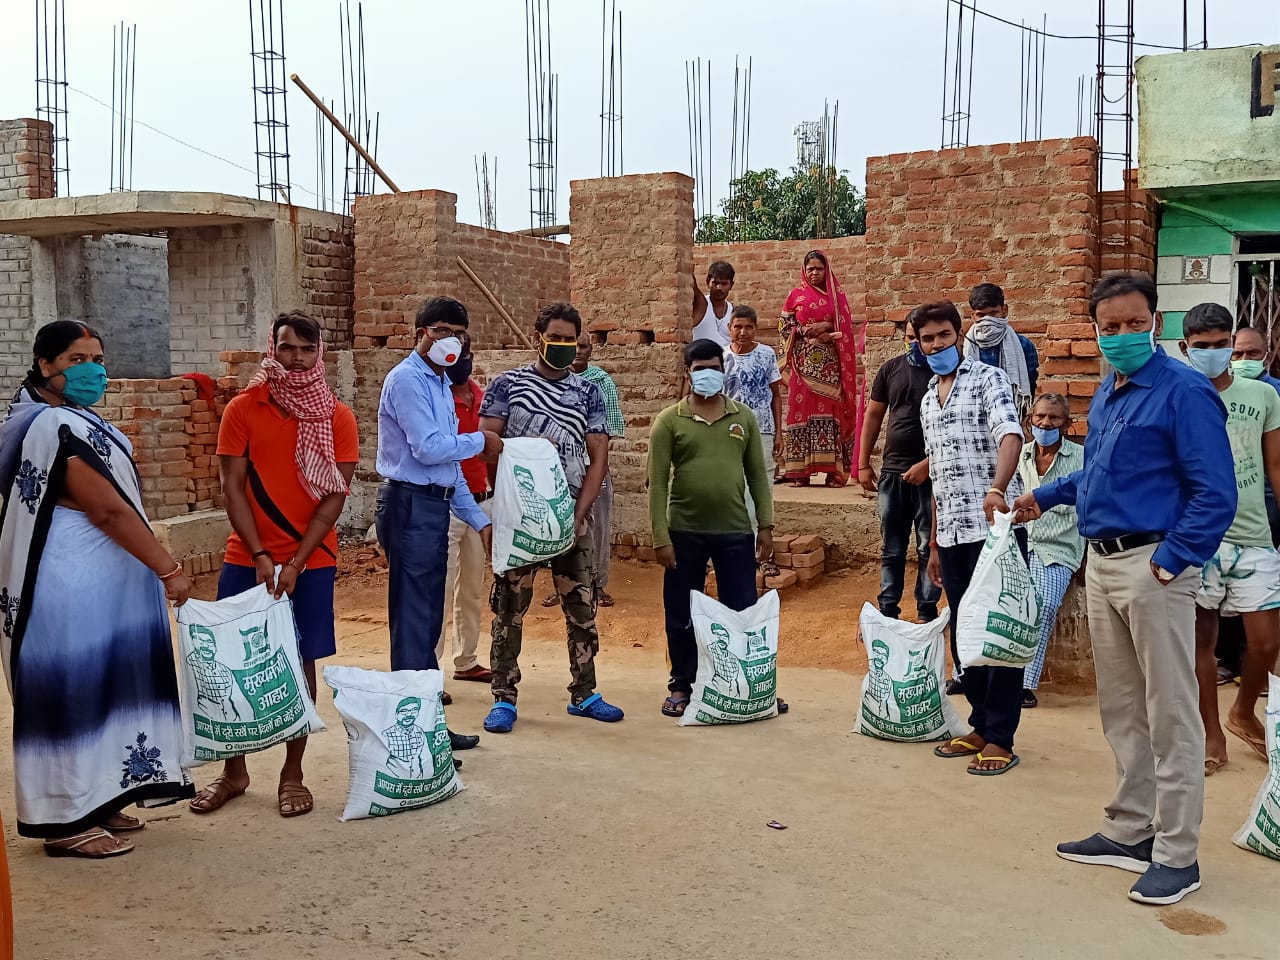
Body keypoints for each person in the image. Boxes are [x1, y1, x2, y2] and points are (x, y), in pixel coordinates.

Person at [1013, 273, 1235, 906]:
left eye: (1135, 324)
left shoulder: (1184, 392)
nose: (1122, 336)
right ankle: (1130, 829)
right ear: (1097, 331)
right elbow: (1099, 475)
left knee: (1171, 712)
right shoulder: (1111, 391)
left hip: (1153, 567)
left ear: (1156, 323)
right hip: (1103, 563)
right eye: (1109, 327)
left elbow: (1215, 492)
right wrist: (1044, 495)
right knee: (1122, 708)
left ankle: (1178, 854)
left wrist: (1171, 561)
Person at [0, 320, 194, 858]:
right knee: (73, 693)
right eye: (77, 359)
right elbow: (107, 510)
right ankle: (63, 821)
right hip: (67, 588)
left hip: (101, 591)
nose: (93, 370)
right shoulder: (52, 427)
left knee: (107, 689)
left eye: (98, 359)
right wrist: (168, 569)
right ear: (45, 365)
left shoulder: (66, 419)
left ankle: (100, 799)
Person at [187, 311, 358, 818]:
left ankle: (292, 774)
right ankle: (233, 772)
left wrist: (296, 562)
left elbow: (333, 498)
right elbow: (232, 488)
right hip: (246, 556)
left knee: (300, 662)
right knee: (231, 661)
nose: (297, 359)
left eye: (307, 349)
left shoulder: (337, 417)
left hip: (313, 560)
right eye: (287, 348)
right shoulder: (243, 408)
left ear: (319, 353)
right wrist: (261, 555)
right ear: (272, 349)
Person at [478, 302, 624, 732]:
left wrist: (580, 514)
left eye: (569, 339)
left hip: (571, 517)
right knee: (509, 608)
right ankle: (504, 697)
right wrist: (503, 505)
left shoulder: (589, 392)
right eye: (554, 337)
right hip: (519, 519)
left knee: (581, 607)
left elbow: (598, 456)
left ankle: (585, 693)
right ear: (537, 337)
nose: (562, 345)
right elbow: (488, 445)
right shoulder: (507, 386)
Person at [377, 296, 501, 752]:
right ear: (421, 333)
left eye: (459, 333)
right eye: (442, 330)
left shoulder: (440, 383)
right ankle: (414, 733)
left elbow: (449, 471)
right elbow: (429, 449)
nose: (451, 340)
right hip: (410, 505)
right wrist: (480, 440)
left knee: (428, 620)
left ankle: (428, 727)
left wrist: (479, 521)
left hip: (433, 504)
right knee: (414, 622)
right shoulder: (407, 380)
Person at [913, 301, 1027, 776]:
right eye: (927, 339)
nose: (936, 344)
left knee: (999, 631)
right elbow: (938, 476)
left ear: (959, 336)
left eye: (944, 335)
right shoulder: (926, 401)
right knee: (966, 632)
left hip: (994, 532)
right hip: (952, 533)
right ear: (918, 345)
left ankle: (1001, 737)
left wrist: (997, 489)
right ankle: (979, 725)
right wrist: (934, 545)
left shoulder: (987, 379)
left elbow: (1010, 435)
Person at [648, 339, 786, 716]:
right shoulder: (669, 421)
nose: (707, 374)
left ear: (723, 371)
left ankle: (748, 685)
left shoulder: (744, 418)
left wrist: (766, 525)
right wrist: (660, 537)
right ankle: (682, 685)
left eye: (714, 368)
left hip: (735, 531)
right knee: (681, 612)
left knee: (742, 611)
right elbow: (657, 483)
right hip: (684, 532)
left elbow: (757, 476)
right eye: (699, 369)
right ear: (687, 373)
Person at [1176, 303, 1280, 776]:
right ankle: (1211, 733)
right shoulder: (1176, 393)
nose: (1216, 353)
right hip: (1197, 537)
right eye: (1204, 346)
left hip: (1253, 534)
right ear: (1186, 348)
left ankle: (1242, 711)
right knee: (1202, 640)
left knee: (1266, 642)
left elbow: (1275, 465)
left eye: (1223, 345)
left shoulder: (1263, 395)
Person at [857, 314, 941, 623]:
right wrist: (863, 463)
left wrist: (930, 465)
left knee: (928, 545)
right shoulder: (890, 369)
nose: (914, 344)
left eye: (920, 338)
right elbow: (873, 415)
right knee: (891, 547)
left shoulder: (944, 373)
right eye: (909, 338)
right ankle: (888, 611)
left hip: (932, 475)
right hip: (893, 472)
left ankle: (927, 610)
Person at [543, 332, 625, 608]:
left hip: (593, 467)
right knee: (559, 524)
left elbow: (608, 431)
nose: (577, 351)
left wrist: (595, 465)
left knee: (597, 526)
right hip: (560, 469)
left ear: (591, 350)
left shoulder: (601, 382)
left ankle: (597, 584)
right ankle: (561, 585)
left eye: (583, 346)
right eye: (573, 345)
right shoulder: (551, 382)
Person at [1015, 393, 1085, 709]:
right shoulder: (1019, 456)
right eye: (1040, 416)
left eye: (1054, 418)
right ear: (1030, 420)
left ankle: (1024, 684)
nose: (1045, 423)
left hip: (1058, 549)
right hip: (1019, 545)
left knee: (1042, 605)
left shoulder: (1081, 458)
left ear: (1067, 424)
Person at [434, 330, 494, 693]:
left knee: (471, 588)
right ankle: (431, 672)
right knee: (440, 590)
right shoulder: (438, 399)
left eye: (467, 352)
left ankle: (466, 659)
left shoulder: (483, 398)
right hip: (447, 503)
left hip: (480, 501)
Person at [780, 250, 864, 487]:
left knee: (831, 413)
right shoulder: (795, 296)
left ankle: (834, 473)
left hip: (830, 368)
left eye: (819, 268)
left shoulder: (836, 298)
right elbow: (784, 326)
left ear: (826, 270)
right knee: (800, 412)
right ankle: (800, 473)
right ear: (804, 271)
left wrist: (826, 326)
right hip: (802, 366)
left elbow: (845, 327)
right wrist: (804, 331)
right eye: (810, 269)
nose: (814, 273)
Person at [723, 305, 783, 533]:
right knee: (733, 481)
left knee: (762, 482)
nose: (743, 332)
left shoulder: (766, 354)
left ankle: (762, 536)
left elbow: (776, 395)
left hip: (763, 428)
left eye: (748, 327)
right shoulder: (721, 357)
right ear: (729, 328)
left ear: (755, 329)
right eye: (738, 327)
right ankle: (736, 536)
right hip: (730, 431)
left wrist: (779, 433)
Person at [964, 283, 1039, 417]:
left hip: (1012, 415)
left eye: (993, 313)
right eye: (981, 315)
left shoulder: (1024, 346)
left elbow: (1030, 384)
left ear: (1005, 310)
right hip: (975, 415)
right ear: (973, 316)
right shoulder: (963, 346)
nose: (988, 320)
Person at [692, 260, 735, 348]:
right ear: (708, 282)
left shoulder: (733, 311)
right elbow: (689, 279)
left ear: (731, 285)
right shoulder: (700, 305)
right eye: (715, 283)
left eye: (724, 284)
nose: (719, 288)